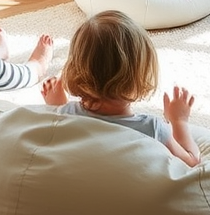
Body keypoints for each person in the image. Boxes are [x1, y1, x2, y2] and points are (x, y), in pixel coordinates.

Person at [40, 9, 200, 166]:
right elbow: (191, 162)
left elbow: (63, 133)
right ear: (140, 75)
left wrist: (58, 106)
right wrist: (179, 121)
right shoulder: (152, 130)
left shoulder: (66, 114)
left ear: (76, 69)